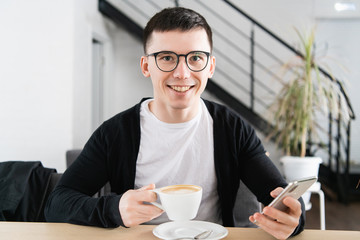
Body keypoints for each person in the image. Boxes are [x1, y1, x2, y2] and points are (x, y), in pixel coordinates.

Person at [45, 7, 305, 239]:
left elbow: (281, 196)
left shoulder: (232, 129)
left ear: (210, 66)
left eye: (195, 58)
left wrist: (294, 219)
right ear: (146, 66)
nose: (182, 73)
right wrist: (115, 209)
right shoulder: (115, 133)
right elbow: (58, 203)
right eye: (167, 57)